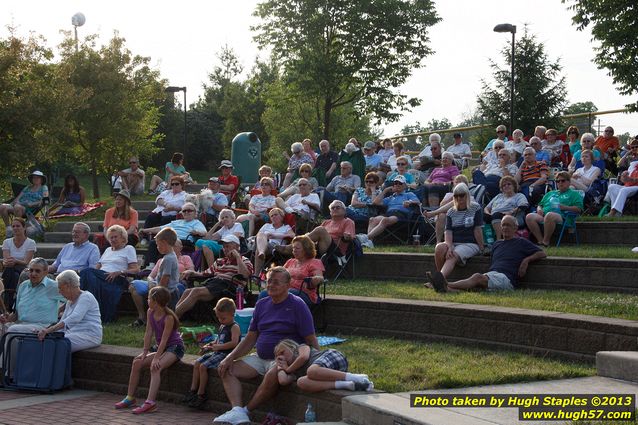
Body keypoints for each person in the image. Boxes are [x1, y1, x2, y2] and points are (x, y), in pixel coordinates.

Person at [213, 267, 319, 425]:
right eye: (269, 281)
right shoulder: (262, 304)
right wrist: (230, 357)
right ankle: (237, 411)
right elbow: (250, 337)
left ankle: (246, 411)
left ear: (288, 285)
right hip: (260, 357)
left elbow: (311, 338)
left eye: (276, 282)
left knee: (272, 373)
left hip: (283, 359)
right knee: (226, 368)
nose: (270, 285)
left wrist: (317, 361)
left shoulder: (298, 305)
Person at [427, 216, 546, 292]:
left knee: (477, 277)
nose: (504, 228)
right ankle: (445, 288)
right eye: (503, 225)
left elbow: (542, 253)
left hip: (506, 279)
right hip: (492, 275)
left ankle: (443, 283)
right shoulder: (497, 244)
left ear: (515, 228)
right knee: (475, 285)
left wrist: (526, 261)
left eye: (508, 225)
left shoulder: (521, 242)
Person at [114, 286, 184, 414]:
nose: (147, 300)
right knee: (137, 362)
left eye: (149, 298)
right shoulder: (150, 312)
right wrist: (145, 352)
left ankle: (150, 403)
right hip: (161, 348)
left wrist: (156, 358)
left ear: (156, 301)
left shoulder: (169, 318)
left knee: (155, 367)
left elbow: (164, 340)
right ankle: (130, 398)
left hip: (174, 347)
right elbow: (148, 333)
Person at [183, 297, 241, 409]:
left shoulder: (234, 327)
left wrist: (218, 347)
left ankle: (201, 394)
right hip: (218, 352)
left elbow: (234, 343)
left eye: (223, 318)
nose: (220, 320)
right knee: (197, 363)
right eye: (218, 317)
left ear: (232, 314)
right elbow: (218, 340)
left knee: (203, 366)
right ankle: (193, 390)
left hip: (226, 355)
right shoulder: (223, 326)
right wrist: (209, 345)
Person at [175, 234, 253, 318]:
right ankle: (175, 314)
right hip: (214, 283)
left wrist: (237, 257)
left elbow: (245, 275)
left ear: (237, 247)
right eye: (224, 247)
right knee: (188, 291)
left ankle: (173, 317)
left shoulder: (244, 260)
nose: (225, 249)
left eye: (228, 246)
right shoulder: (220, 261)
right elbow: (205, 274)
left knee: (195, 291)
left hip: (229, 286)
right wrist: (192, 272)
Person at [80, 225, 140, 323]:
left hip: (116, 278)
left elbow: (136, 269)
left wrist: (119, 272)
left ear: (123, 238)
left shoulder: (128, 249)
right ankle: (91, 312)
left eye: (115, 237)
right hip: (102, 277)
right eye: (111, 237)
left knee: (87, 272)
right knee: (88, 275)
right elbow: (97, 268)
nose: (113, 239)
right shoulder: (108, 250)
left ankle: (90, 312)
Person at [130, 239, 194, 326]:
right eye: (170, 245)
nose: (172, 248)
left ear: (180, 248)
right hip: (156, 282)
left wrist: (186, 272)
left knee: (170, 289)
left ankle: (165, 318)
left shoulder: (185, 258)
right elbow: (151, 275)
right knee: (134, 285)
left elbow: (191, 271)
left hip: (175, 283)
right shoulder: (161, 260)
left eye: (174, 246)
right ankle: (142, 317)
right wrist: (150, 282)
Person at [36, 270, 102, 352]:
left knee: (57, 344)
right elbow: (63, 323)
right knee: (47, 341)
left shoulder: (86, 297)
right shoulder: (70, 301)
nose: (59, 292)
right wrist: (45, 331)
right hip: (73, 334)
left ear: (67, 286)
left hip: (89, 336)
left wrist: (49, 330)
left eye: (60, 288)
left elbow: (75, 318)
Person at [274, 339, 373, 392]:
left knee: (311, 371)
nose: (282, 357)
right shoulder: (294, 371)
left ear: (291, 346)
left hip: (334, 357)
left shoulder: (300, 348)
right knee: (301, 382)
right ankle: (346, 384)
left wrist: (287, 368)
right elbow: (283, 381)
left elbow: (303, 357)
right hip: (329, 374)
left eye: (282, 352)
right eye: (279, 357)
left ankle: (355, 377)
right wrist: (280, 366)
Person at [431, 183, 484, 279]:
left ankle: (439, 279)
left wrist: (481, 247)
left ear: (467, 195)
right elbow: (448, 232)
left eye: (462, 195)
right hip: (454, 242)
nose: (459, 198)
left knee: (452, 255)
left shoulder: (475, 208)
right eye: (456, 196)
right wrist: (450, 246)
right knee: (439, 248)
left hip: (469, 243)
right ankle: (440, 278)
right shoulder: (451, 211)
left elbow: (477, 229)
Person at [0, 258, 63, 336]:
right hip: (20, 324)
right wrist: (6, 318)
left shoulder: (53, 286)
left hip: (42, 327)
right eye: (31, 270)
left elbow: (75, 297)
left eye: (37, 271)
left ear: (46, 272)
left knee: (13, 330)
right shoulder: (23, 286)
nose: (33, 273)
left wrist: (60, 310)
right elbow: (16, 314)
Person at [258, 235, 325, 305]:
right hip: (284, 289)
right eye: (293, 248)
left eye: (297, 248)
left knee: (285, 294)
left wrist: (315, 279)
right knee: (264, 294)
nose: (294, 250)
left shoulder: (314, 262)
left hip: (303, 293)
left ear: (306, 249)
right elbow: (279, 274)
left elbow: (319, 277)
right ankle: (263, 314)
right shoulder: (290, 261)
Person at [525, 171, 584, 247]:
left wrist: (565, 207)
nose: (560, 183)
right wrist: (539, 209)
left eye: (563, 180)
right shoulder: (550, 193)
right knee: (529, 216)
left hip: (564, 217)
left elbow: (579, 209)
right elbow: (540, 205)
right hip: (545, 216)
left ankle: (546, 242)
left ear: (569, 182)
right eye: (557, 181)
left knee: (550, 215)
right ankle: (540, 241)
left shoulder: (574, 194)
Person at [140, 202, 206, 267]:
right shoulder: (176, 222)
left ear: (195, 213)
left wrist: (197, 232)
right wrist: (145, 230)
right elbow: (160, 228)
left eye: (189, 210)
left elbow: (204, 232)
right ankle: (151, 265)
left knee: (167, 243)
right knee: (153, 242)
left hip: (184, 241)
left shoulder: (197, 223)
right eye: (184, 211)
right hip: (171, 238)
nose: (186, 212)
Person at [365, 175, 420, 244]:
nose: (397, 185)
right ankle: (369, 242)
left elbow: (418, 202)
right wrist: (385, 190)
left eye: (400, 183)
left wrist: (409, 202)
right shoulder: (391, 197)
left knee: (384, 220)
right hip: (389, 214)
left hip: (401, 214)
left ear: (405, 185)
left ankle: (366, 238)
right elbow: (375, 203)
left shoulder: (409, 194)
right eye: (396, 183)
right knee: (372, 219)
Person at [423, 175, 473, 244]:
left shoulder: (469, 195)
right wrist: (453, 196)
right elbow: (441, 205)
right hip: (448, 216)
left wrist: (456, 196)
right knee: (442, 215)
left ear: (466, 185)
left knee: (456, 202)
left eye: (461, 182)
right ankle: (438, 242)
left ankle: (433, 213)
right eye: (456, 182)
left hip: (462, 217)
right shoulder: (448, 194)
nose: (458, 184)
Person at [2, 218, 36, 310]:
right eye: (13, 226)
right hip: (11, 268)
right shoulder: (7, 242)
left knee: (12, 271)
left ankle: (7, 302)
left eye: (18, 226)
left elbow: (26, 262)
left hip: (25, 269)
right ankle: (12, 302)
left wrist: (15, 261)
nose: (15, 228)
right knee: (14, 274)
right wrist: (8, 262)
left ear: (24, 227)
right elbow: (6, 260)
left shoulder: (31, 243)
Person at [0, 170, 49, 236]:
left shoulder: (44, 188)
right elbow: (18, 197)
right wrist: (16, 201)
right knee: (2, 206)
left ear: (41, 179)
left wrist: (32, 204)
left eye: (38, 177)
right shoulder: (27, 187)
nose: (35, 179)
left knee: (17, 207)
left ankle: (18, 229)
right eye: (34, 177)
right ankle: (8, 228)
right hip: (18, 205)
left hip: (29, 209)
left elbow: (45, 199)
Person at [253, 208, 295, 273]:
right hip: (263, 244)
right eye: (271, 216)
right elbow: (258, 236)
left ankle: (256, 276)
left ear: (282, 216)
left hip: (275, 247)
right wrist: (265, 237)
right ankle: (262, 252)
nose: (273, 217)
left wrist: (275, 235)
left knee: (258, 249)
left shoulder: (286, 227)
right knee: (261, 235)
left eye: (276, 214)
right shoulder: (266, 225)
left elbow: (293, 235)